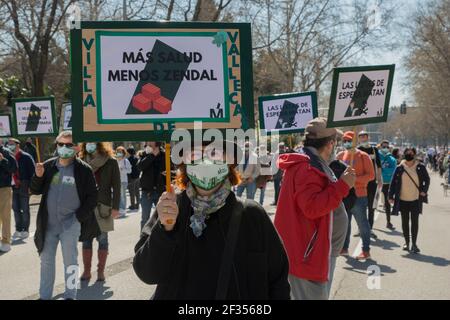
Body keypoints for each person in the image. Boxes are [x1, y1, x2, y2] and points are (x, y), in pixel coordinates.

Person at [133, 139, 290, 299]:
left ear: (228, 162)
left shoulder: (252, 215)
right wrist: (165, 230)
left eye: (214, 153)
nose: (205, 162)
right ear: (184, 163)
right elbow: (146, 273)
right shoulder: (169, 208)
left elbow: (278, 282)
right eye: (195, 154)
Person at [275, 117, 355, 300]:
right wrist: (342, 186)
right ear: (330, 144)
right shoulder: (307, 168)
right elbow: (311, 208)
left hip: (312, 254)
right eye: (336, 142)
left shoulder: (310, 164)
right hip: (307, 257)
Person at [30, 131, 98, 300]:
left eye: (69, 145)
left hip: (70, 224)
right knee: (46, 262)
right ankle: (44, 296)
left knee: (71, 263)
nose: (64, 148)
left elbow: (92, 197)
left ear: (76, 147)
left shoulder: (84, 170)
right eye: (61, 144)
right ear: (57, 145)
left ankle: (70, 295)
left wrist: (78, 217)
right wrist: (38, 177)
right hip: (48, 225)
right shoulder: (48, 166)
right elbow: (35, 189)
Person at [79, 142, 121, 282]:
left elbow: (117, 185)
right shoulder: (80, 161)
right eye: (87, 143)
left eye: (93, 142)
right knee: (86, 240)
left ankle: (101, 272)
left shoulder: (111, 162)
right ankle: (86, 271)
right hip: (85, 206)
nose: (89, 145)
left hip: (103, 206)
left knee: (103, 240)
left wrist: (115, 207)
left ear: (99, 144)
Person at [337, 131, 375, 260]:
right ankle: (344, 248)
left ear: (355, 142)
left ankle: (366, 250)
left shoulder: (363, 156)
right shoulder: (340, 155)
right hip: (344, 195)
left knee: (362, 224)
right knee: (344, 223)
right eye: (344, 140)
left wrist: (354, 179)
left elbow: (371, 175)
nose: (346, 142)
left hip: (359, 195)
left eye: (349, 140)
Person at [389, 147, 430, 254]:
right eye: (407, 152)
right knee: (405, 222)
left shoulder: (420, 167)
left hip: (416, 199)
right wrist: (390, 196)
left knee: (415, 222)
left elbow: (427, 179)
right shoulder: (399, 168)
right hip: (402, 200)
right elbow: (393, 183)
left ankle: (414, 244)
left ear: (414, 155)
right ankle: (407, 243)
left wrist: (424, 191)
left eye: (411, 153)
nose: (408, 154)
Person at [8, 138, 35, 239]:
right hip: (12, 185)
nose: (10, 145)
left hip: (24, 184)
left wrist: (31, 187)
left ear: (18, 145)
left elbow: (32, 173)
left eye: (12, 144)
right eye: (8, 144)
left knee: (25, 209)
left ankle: (25, 230)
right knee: (15, 209)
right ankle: (18, 229)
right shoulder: (8, 156)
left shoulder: (26, 157)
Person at [357, 131, 382, 237]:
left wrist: (379, 179)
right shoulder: (357, 150)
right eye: (361, 136)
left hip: (372, 182)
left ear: (368, 137)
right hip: (360, 183)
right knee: (360, 206)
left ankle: (370, 228)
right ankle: (361, 229)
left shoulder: (374, 150)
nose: (363, 138)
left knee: (372, 206)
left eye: (364, 136)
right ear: (358, 138)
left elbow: (379, 165)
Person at [137, 142, 166, 231]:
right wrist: (152, 156)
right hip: (147, 192)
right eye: (148, 141)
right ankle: (143, 238)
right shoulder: (144, 154)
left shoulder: (164, 154)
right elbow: (140, 167)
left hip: (161, 191)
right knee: (145, 218)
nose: (148, 142)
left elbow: (170, 168)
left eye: (151, 141)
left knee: (161, 217)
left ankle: (160, 239)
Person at [0, 140, 18, 253]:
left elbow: (14, 169)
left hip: (4, 188)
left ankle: (6, 241)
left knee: (5, 215)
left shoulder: (6, 152)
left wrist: (2, 160)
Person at [379, 140, 397, 230]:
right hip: (377, 184)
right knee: (372, 205)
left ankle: (388, 222)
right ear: (380, 147)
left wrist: (382, 170)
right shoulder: (377, 156)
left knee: (387, 203)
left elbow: (393, 171)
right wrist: (385, 171)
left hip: (387, 184)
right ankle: (367, 226)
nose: (385, 148)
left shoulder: (392, 159)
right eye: (383, 147)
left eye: (387, 147)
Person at [115, 146, 131, 218]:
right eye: (118, 152)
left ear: (123, 153)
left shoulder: (126, 161)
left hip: (123, 181)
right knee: (117, 196)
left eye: (120, 152)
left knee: (122, 196)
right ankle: (119, 210)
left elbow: (129, 171)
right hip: (115, 181)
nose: (119, 153)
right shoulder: (115, 160)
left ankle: (123, 210)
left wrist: (122, 170)